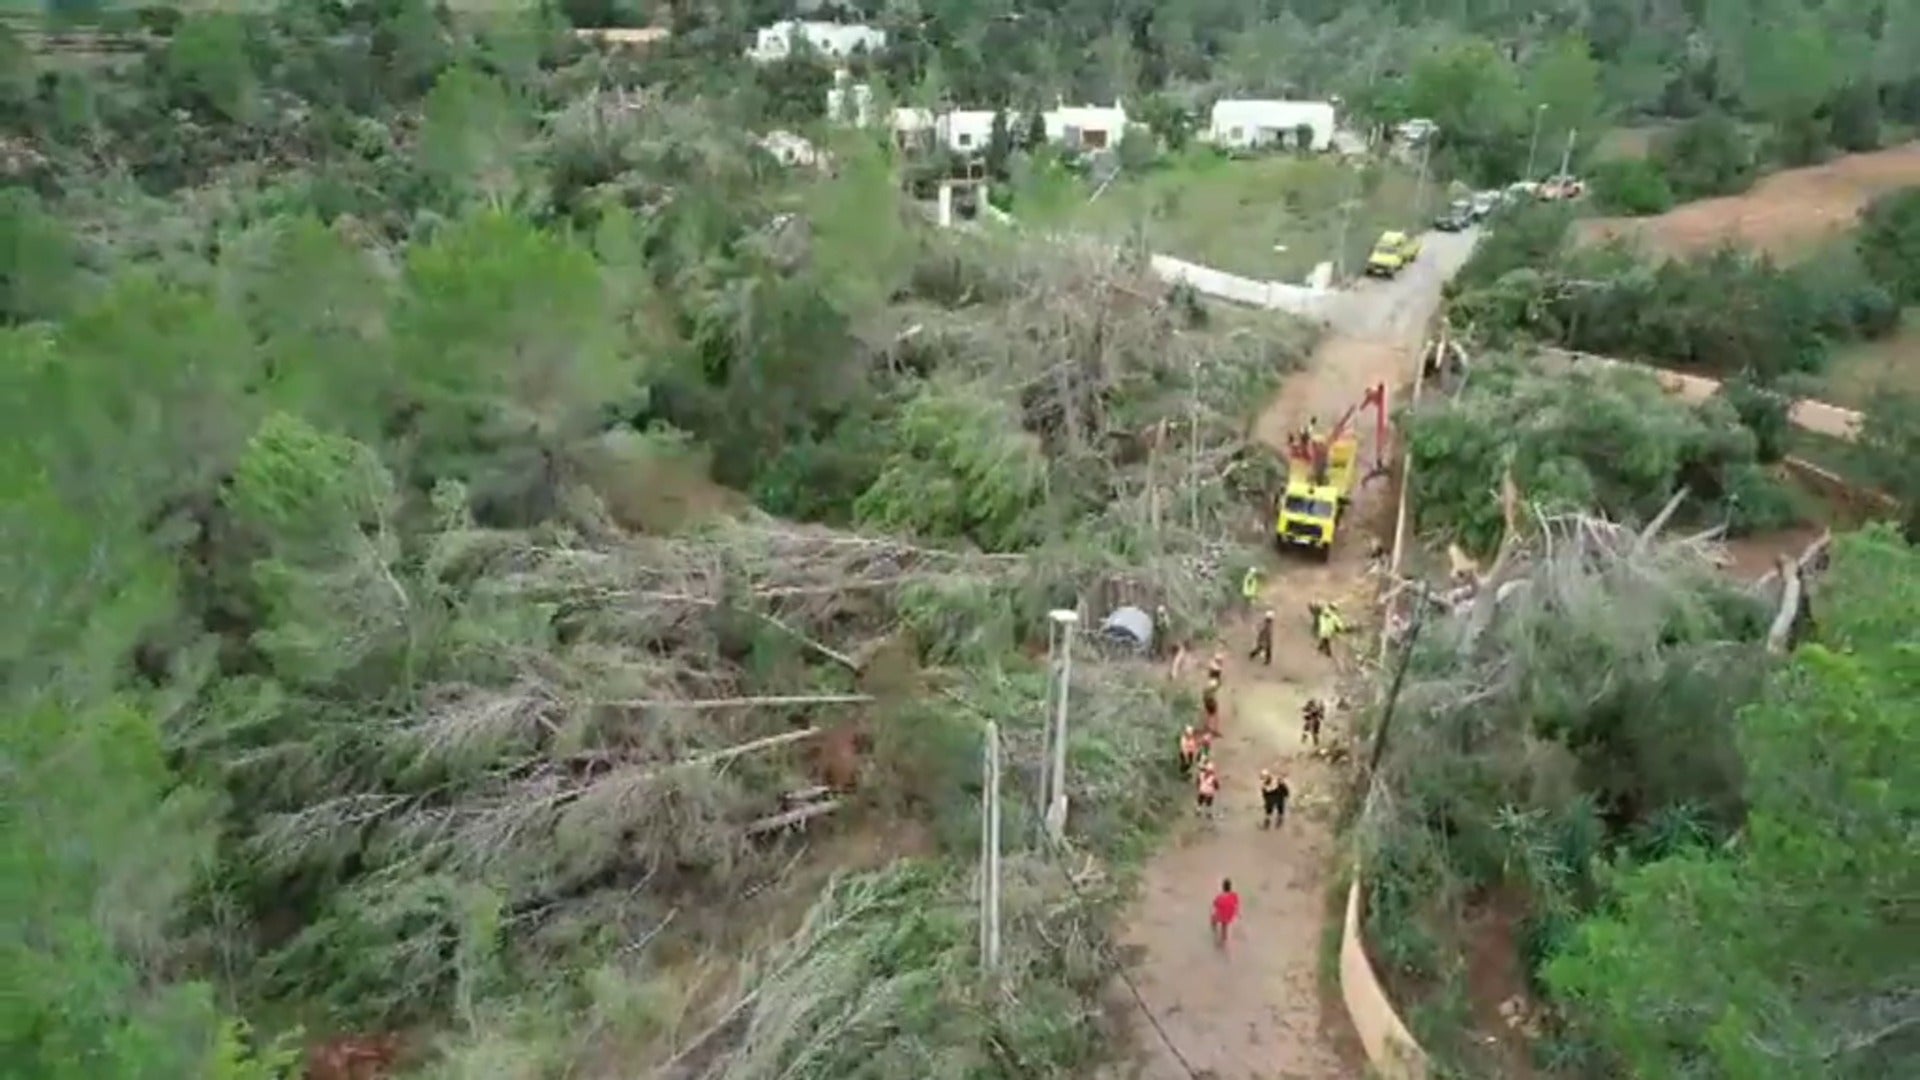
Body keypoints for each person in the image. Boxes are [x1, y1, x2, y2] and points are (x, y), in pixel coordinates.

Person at [1210, 877, 1240, 950]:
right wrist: (1236, 914)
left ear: (1223, 887)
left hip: (1222, 916)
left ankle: (1215, 935)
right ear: (1230, 887)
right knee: (1225, 929)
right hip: (1230, 916)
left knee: (1214, 921)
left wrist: (1213, 918)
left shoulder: (1220, 898)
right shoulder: (1234, 895)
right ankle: (1223, 941)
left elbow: (1214, 906)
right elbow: (1236, 905)